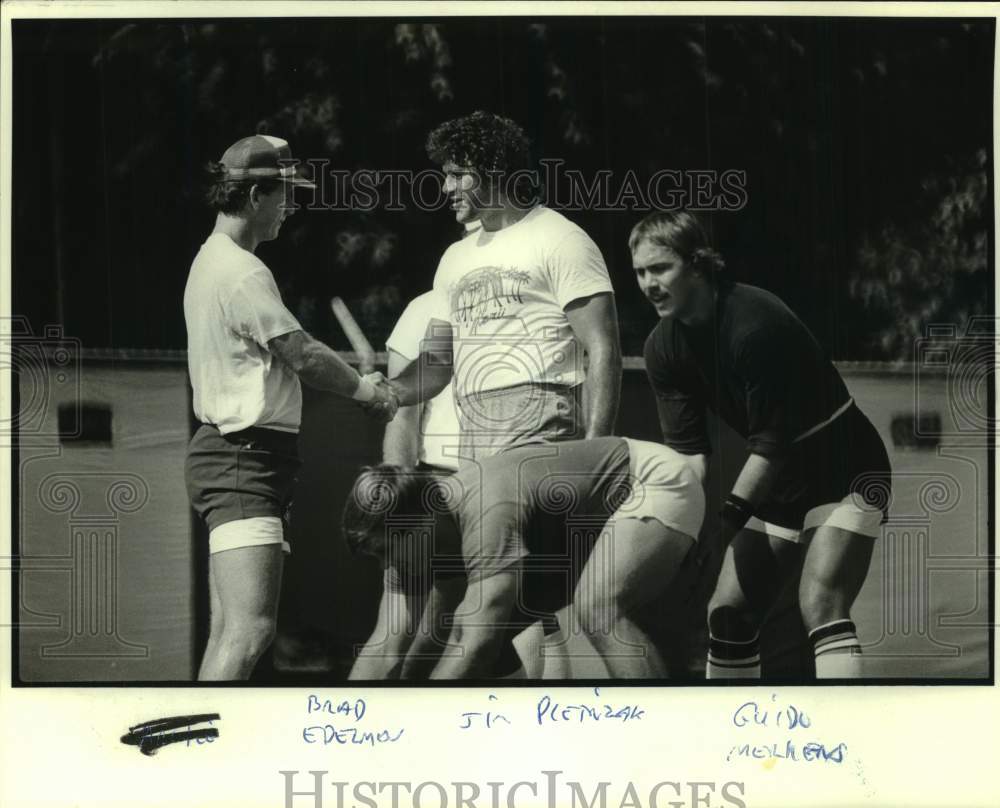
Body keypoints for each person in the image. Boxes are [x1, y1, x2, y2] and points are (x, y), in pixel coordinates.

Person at [630, 210, 892, 680]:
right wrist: (681, 530)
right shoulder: (661, 348)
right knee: (727, 613)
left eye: (660, 268)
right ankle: (733, 736)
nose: (649, 283)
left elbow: (770, 449)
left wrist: (723, 526)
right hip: (782, 481)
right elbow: (690, 456)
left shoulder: (755, 323)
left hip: (847, 468)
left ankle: (850, 731)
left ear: (698, 264)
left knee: (821, 603)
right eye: (639, 272)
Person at [183, 134, 397, 681]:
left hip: (240, 459)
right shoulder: (240, 271)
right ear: (256, 196)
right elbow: (302, 354)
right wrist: (370, 393)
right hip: (243, 461)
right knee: (250, 632)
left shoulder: (214, 261)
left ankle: (201, 747)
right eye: (287, 194)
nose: (293, 206)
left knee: (230, 631)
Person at [343, 437, 705, 680]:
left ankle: (657, 740)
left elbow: (477, 644)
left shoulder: (485, 511)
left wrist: (420, 724)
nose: (386, 566)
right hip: (578, 526)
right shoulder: (417, 534)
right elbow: (385, 649)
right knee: (477, 640)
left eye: (386, 551)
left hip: (647, 479)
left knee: (597, 610)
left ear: (420, 524)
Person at [386, 111, 622, 461]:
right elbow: (437, 364)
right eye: (445, 176)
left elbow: (604, 349)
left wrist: (594, 452)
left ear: (493, 169)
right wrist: (389, 393)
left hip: (544, 424)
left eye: (457, 175)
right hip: (473, 434)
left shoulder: (561, 238)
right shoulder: (454, 257)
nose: (446, 187)